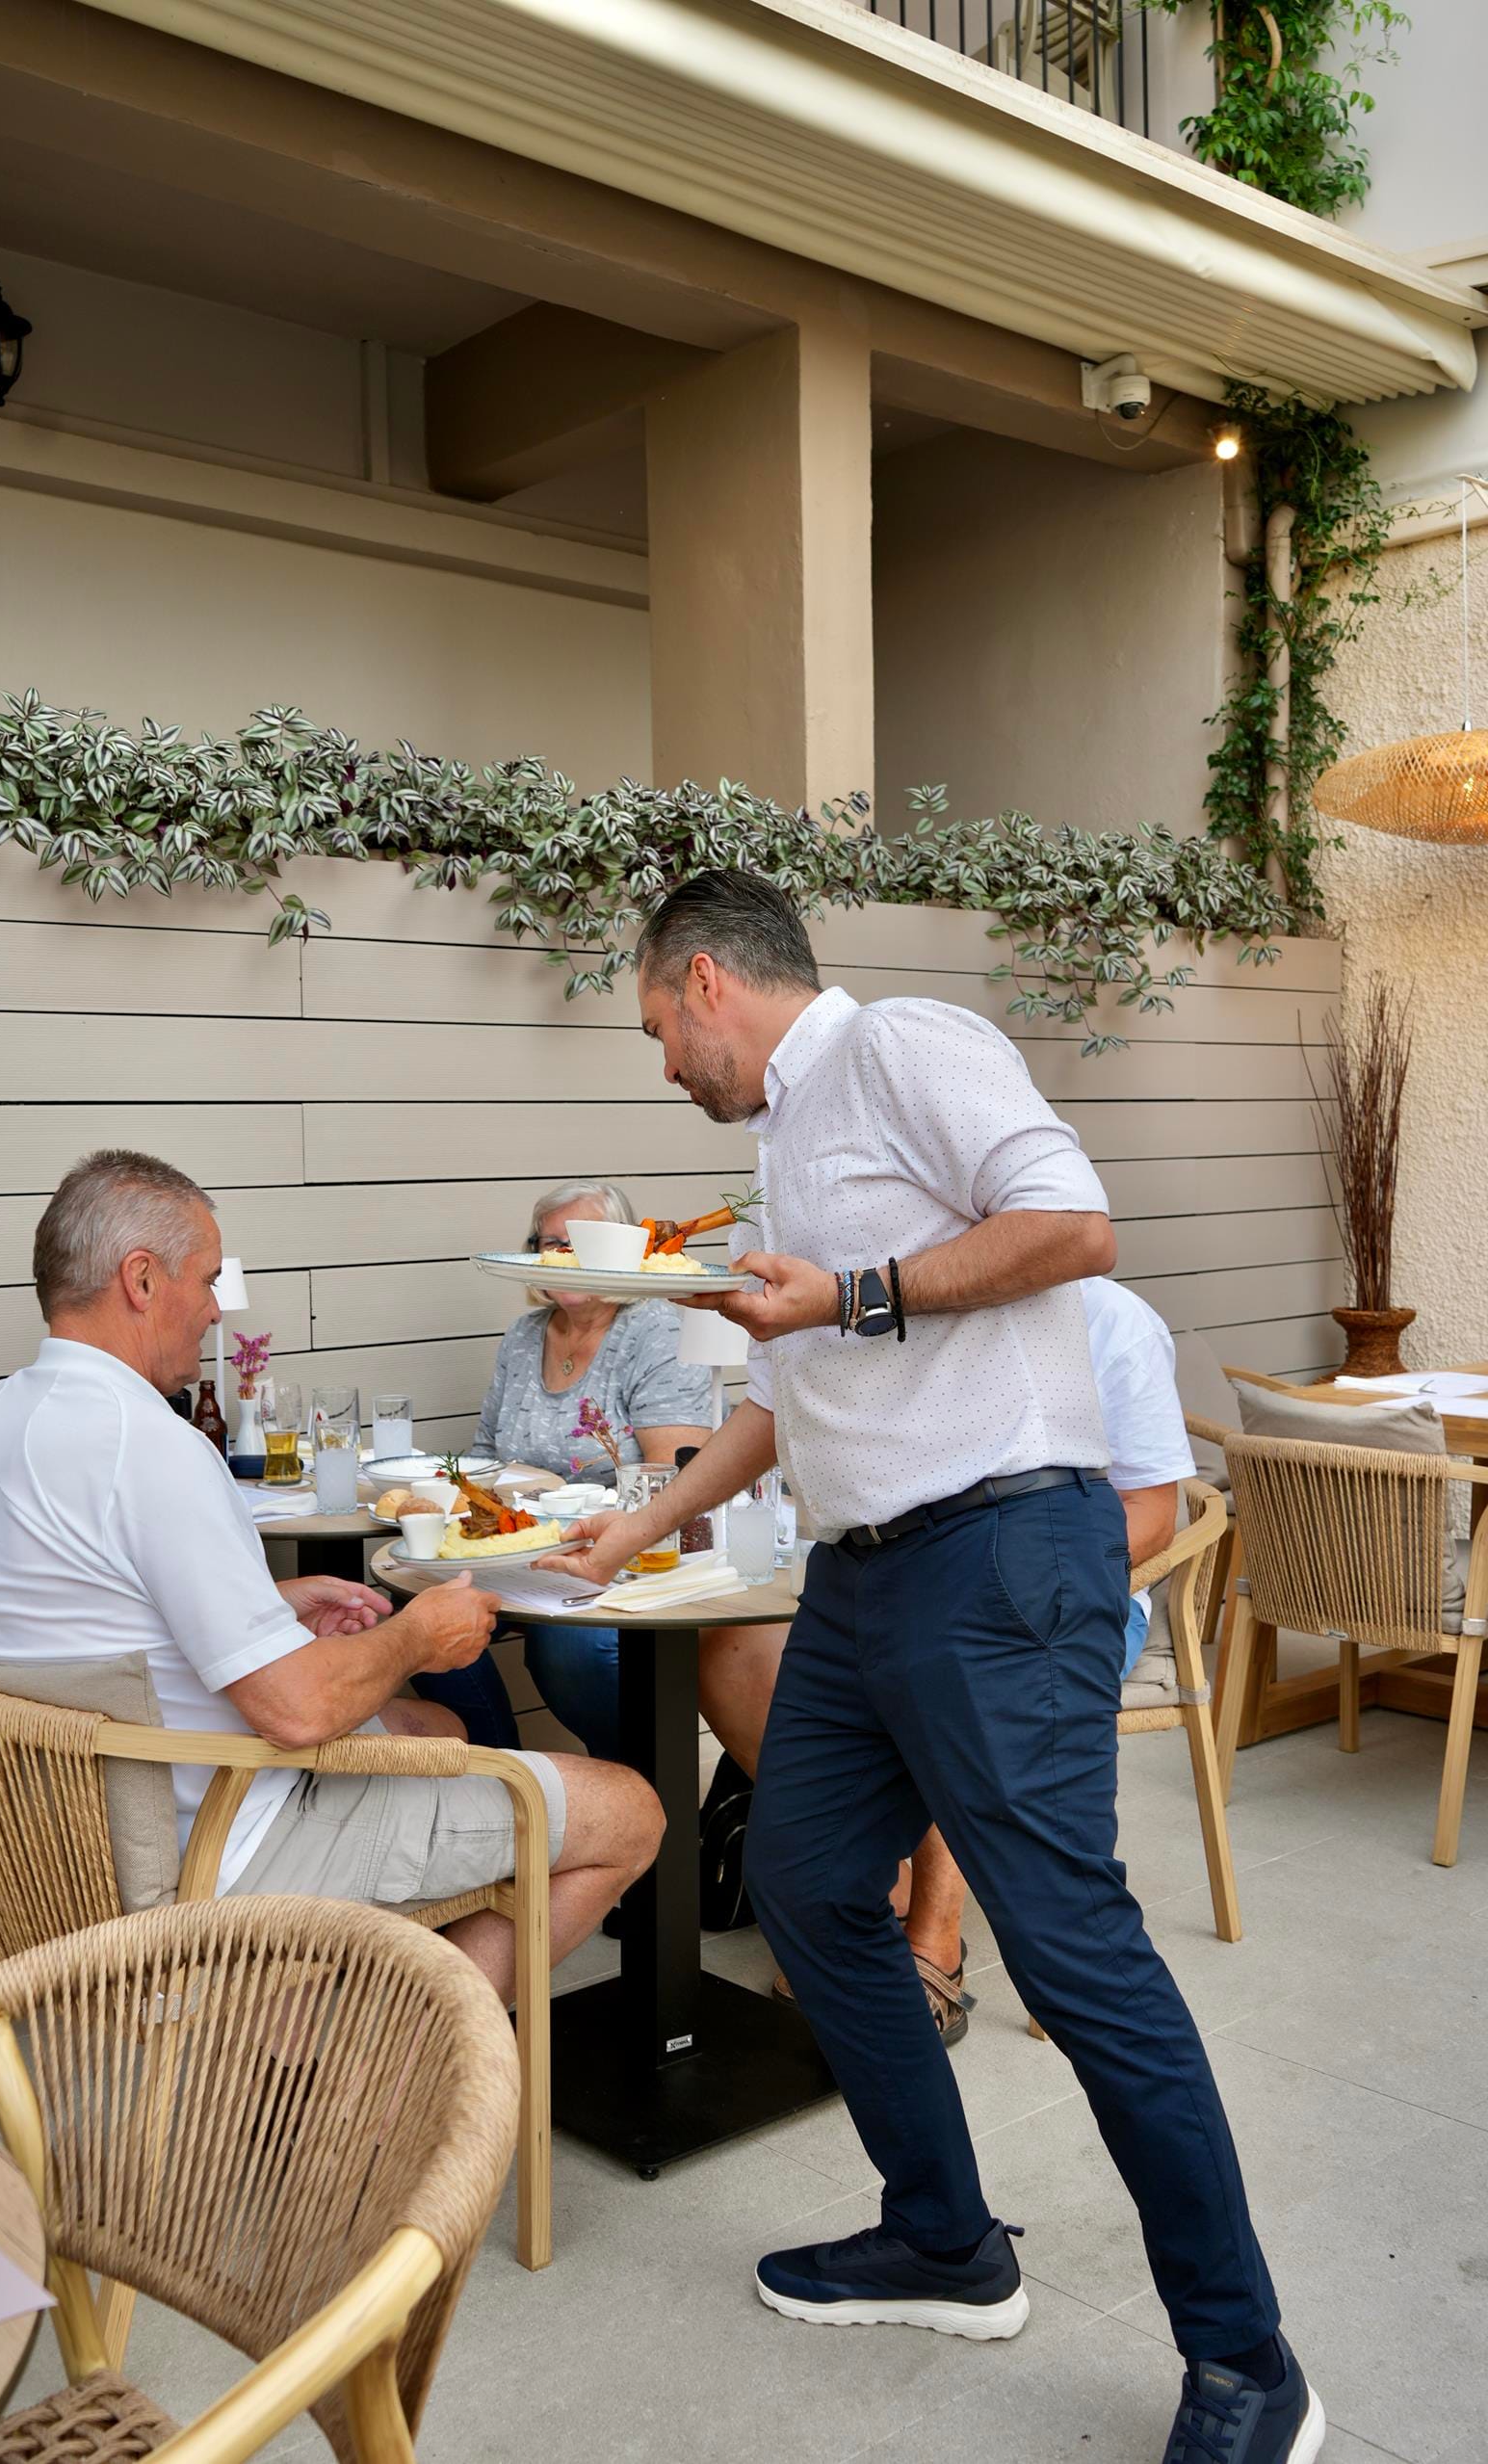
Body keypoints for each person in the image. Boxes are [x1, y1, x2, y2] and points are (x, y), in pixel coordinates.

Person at [544, 878, 1318, 2464]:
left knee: (1077, 1954)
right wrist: (639, 1528)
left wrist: (852, 1289)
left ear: (708, 978)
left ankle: (1250, 2360)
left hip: (998, 1549)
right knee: (809, 1882)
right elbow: (788, 1392)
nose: (664, 1062)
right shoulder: (787, 1141)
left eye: (658, 1026)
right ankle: (944, 2235)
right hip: (863, 1575)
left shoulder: (899, 1044)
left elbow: (1076, 1226)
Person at [0, 1149, 664, 2004]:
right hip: (219, 1848)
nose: (213, 1308)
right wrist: (416, 1636)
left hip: (57, 1848)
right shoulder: (148, 1444)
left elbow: (86, 1609)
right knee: (628, 1810)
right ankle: (397, 2067)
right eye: (207, 1280)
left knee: (437, 1730)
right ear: (141, 1279)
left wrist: (271, 1601)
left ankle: (319, 2018)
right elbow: (297, 1711)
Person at [777, 1271, 1200, 2041]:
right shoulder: (926, 1309)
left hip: (1076, 1597)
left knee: (960, 1689)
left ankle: (936, 1932)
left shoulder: (1114, 1319)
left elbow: (1153, 1511)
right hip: (915, 1585)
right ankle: (857, 1902)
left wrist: (1039, 1579)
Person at [412, 1178, 712, 1758]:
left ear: (623, 1251)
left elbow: (672, 1474)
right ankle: (503, 1771)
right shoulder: (524, 1336)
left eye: (581, 1243)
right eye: (551, 1243)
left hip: (624, 1551)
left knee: (570, 1649)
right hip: (523, 1547)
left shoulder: (655, 1330)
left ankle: (638, 1777)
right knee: (418, 1620)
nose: (563, 1256)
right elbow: (484, 1459)